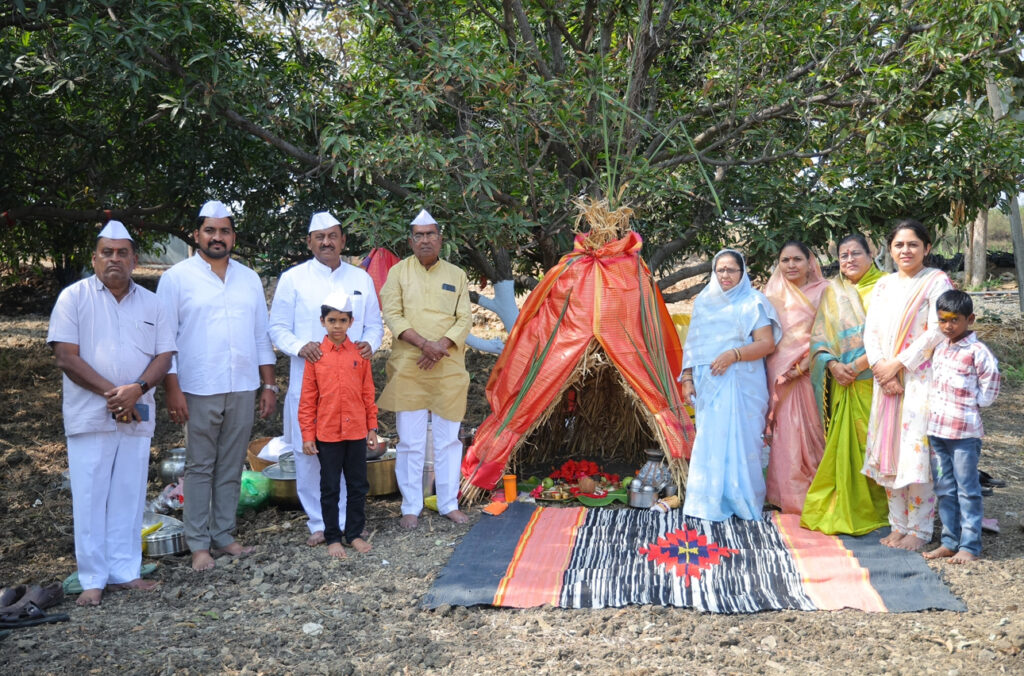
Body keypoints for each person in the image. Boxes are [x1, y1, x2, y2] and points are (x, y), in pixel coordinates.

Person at [48, 221, 175, 606]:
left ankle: (125, 572)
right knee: (90, 496)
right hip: (90, 414)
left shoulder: (154, 303)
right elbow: (65, 357)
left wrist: (136, 389)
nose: (114, 259)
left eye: (122, 252)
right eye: (107, 252)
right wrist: (112, 394)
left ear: (135, 260)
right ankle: (92, 578)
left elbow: (165, 355)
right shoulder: (74, 297)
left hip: (136, 413)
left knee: (129, 495)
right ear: (95, 258)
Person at [157, 200, 278, 571]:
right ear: (196, 235)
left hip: (242, 384)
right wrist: (172, 388)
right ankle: (198, 543)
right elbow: (165, 340)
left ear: (233, 237)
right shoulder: (176, 278)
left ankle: (224, 535)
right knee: (199, 466)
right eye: (210, 230)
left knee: (231, 465)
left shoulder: (249, 278)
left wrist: (269, 385)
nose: (217, 237)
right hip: (197, 385)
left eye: (224, 231)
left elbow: (261, 335)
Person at [269, 211, 383, 547]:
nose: (327, 242)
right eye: (319, 236)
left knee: (349, 455)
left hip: (351, 381)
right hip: (310, 380)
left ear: (343, 240)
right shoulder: (293, 279)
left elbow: (374, 325)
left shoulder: (360, 279)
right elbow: (277, 328)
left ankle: (350, 525)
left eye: (333, 235)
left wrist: (370, 344)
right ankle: (319, 524)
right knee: (309, 455)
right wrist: (300, 347)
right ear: (309, 242)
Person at [378, 209, 472, 529]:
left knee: (449, 439)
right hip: (410, 367)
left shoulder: (457, 274)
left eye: (430, 234)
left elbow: (464, 319)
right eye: (418, 235)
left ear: (440, 239)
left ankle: (447, 503)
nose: (425, 240)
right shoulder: (398, 273)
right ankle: (410, 506)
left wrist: (439, 347)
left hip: (447, 366)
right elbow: (392, 314)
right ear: (410, 241)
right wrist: (424, 345)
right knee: (409, 441)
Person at [862, 219, 952, 551]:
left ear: (927, 248)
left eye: (913, 244)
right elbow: (870, 331)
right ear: (890, 249)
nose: (905, 250)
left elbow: (937, 330)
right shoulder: (884, 285)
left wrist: (898, 365)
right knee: (889, 453)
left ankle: (920, 530)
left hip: (919, 379)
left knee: (915, 455)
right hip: (885, 382)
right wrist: (880, 369)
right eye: (899, 245)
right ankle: (897, 524)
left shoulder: (936, 282)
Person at [680, 249, 781, 521]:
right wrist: (687, 378)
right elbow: (694, 344)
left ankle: (742, 500)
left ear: (742, 272)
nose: (725, 275)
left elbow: (766, 343)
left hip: (742, 382)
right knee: (710, 439)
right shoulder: (704, 301)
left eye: (731, 270)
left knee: (741, 442)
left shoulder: (753, 302)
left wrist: (733, 355)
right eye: (720, 270)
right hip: (708, 383)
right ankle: (707, 502)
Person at [801, 233, 889, 535]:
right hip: (843, 383)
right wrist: (834, 365)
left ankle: (886, 508)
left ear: (871, 252)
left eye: (855, 254)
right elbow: (819, 338)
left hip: (879, 382)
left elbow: (895, 338)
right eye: (843, 255)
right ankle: (845, 504)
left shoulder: (887, 288)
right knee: (845, 448)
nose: (849, 260)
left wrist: (858, 365)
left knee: (875, 443)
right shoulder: (833, 291)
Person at [298, 291, 381, 558]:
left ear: (351, 322)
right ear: (323, 321)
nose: (337, 325)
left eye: (342, 320)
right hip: (328, 434)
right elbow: (308, 399)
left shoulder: (359, 354)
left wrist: (372, 427)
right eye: (331, 320)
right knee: (330, 486)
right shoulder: (316, 356)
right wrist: (308, 435)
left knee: (358, 484)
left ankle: (354, 533)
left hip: (356, 431)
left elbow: (368, 392)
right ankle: (332, 536)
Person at [922, 290, 1000, 564]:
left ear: (970, 319)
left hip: (964, 435)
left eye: (955, 320)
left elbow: (990, 385)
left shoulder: (978, 352)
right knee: (944, 488)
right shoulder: (941, 347)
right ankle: (949, 541)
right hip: (938, 433)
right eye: (943, 320)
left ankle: (970, 546)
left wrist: (974, 404)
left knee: (967, 489)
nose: (948, 326)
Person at [763, 241, 829, 514]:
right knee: (784, 434)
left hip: (809, 372)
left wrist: (800, 367)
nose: (791, 265)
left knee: (810, 433)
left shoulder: (824, 291)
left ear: (809, 262)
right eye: (785, 260)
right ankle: (782, 494)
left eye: (797, 260)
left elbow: (828, 333)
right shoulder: (772, 293)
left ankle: (812, 495)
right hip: (776, 371)